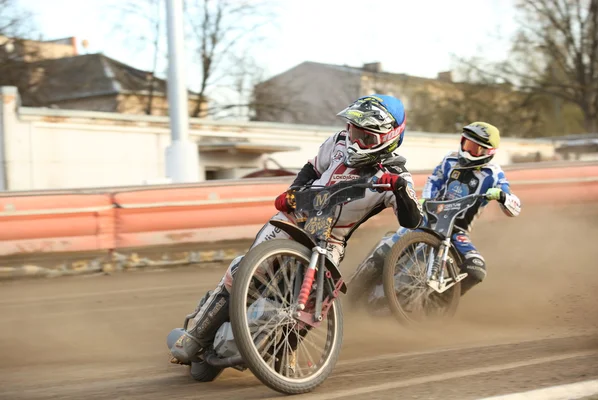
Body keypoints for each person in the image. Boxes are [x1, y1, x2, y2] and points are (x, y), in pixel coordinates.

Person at [169, 94, 423, 365]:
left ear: (389, 138)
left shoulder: (397, 175)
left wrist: (398, 189)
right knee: (244, 270)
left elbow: (412, 221)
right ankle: (195, 335)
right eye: (354, 130)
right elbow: (311, 168)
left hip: (330, 241)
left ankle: (282, 355)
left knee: (318, 299)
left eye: (367, 137)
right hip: (294, 220)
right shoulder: (338, 142)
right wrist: (292, 192)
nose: (356, 141)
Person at [350, 121, 522, 309]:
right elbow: (434, 180)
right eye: (466, 144)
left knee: (476, 269)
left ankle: (436, 304)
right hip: (429, 218)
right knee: (388, 247)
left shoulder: (494, 174)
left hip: (457, 231)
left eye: (474, 148)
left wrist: (503, 196)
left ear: (487, 152)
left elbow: (514, 208)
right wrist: (426, 200)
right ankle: (353, 290)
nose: (467, 150)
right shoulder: (450, 161)